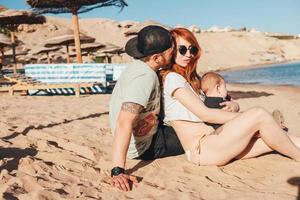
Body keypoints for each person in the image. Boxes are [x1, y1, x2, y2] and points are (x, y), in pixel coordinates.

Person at [160, 27, 300, 166]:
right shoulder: (173, 78)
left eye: (193, 49)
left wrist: (234, 105)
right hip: (202, 148)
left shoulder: (193, 80)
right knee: (260, 115)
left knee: (276, 136)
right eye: (182, 49)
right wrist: (250, 117)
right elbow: (206, 115)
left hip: (219, 140)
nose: (189, 54)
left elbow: (223, 101)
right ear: (172, 51)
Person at [109, 25, 184, 192]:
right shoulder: (145, 78)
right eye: (171, 51)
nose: (174, 53)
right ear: (157, 58)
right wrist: (117, 171)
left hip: (150, 133)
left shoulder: (141, 66)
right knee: (198, 133)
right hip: (147, 146)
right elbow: (124, 122)